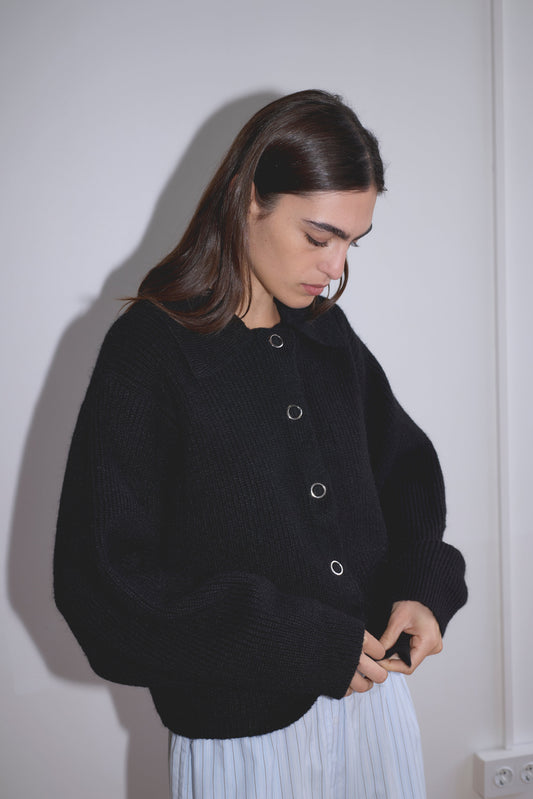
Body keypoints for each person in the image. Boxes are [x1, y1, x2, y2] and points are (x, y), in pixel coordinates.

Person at [54, 89, 467, 798]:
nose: (334, 266)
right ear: (249, 198)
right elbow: (104, 586)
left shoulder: (325, 333)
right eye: (317, 236)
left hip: (373, 713)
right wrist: (299, 643)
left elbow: (406, 473)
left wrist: (423, 589)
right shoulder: (150, 353)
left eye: (350, 242)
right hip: (243, 744)